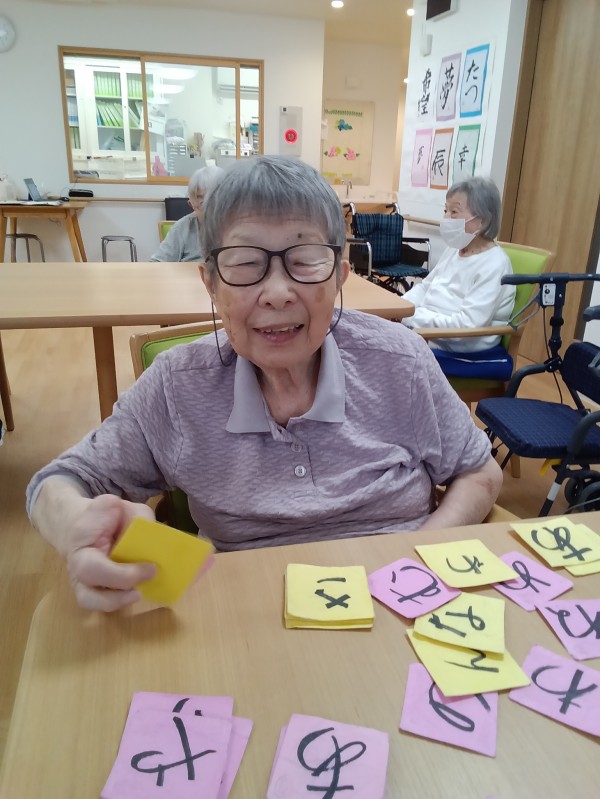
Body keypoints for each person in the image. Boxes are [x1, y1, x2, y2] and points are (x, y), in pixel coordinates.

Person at [26, 156, 502, 612]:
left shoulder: (401, 362)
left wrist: (419, 557)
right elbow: (60, 482)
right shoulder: (178, 387)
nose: (276, 293)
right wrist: (75, 523)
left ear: (339, 275)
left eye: (306, 259)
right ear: (210, 283)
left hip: (405, 601)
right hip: (247, 616)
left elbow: (479, 471)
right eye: (244, 262)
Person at [403, 176, 515, 353]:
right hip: (425, 333)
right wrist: (400, 308)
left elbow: (466, 326)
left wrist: (411, 317)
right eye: (445, 210)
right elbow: (425, 287)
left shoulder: (495, 264)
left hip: (458, 346)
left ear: (482, 220)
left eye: (454, 212)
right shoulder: (455, 249)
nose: (446, 217)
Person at [150, 165, 224, 262]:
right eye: (203, 204)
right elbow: (156, 263)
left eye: (217, 201)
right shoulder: (182, 228)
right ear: (191, 204)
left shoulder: (238, 225)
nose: (212, 210)